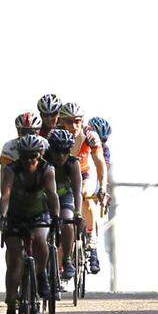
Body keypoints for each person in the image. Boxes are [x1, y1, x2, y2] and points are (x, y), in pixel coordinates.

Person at [0, 134, 61, 314]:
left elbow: (52, 195)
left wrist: (56, 217)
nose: (29, 161)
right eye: (25, 156)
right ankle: (11, 304)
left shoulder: (47, 169)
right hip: (15, 215)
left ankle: (40, 275)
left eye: (33, 156)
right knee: (15, 259)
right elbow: (5, 196)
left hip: (38, 214)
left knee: (42, 242)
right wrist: (3, 216)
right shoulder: (11, 170)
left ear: (40, 155)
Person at [58, 101, 108, 274]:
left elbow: (100, 162)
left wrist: (102, 187)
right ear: (60, 122)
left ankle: (92, 245)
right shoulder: (54, 134)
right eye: (68, 122)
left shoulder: (89, 135)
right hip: (62, 176)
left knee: (85, 196)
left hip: (84, 173)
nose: (73, 126)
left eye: (77, 121)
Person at [45, 129, 82, 281]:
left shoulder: (73, 163)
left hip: (64, 196)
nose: (60, 156)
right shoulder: (43, 161)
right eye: (56, 151)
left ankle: (67, 259)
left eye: (65, 151)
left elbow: (77, 191)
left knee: (68, 221)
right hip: (45, 197)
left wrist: (78, 213)